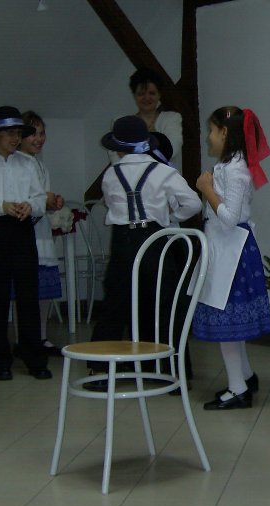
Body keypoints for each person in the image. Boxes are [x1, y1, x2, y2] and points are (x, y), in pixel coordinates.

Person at [88, 116, 201, 383]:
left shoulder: (111, 174)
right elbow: (193, 203)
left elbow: (109, 202)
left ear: (118, 148)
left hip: (122, 240)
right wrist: (171, 217)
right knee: (163, 302)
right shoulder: (163, 171)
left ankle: (101, 369)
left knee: (116, 301)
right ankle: (172, 370)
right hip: (155, 239)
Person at [194, 107, 270, 411]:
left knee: (226, 322)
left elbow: (229, 217)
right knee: (229, 321)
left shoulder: (234, 169)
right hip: (225, 248)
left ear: (225, 133)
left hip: (232, 251)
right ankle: (245, 376)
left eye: (212, 131)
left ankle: (238, 388)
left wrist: (207, 190)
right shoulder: (229, 165)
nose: (208, 137)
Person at [0, 105, 51, 381]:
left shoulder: (27, 165)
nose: (16, 139)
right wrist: (0, 206)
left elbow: (40, 199)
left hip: (23, 231)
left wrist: (30, 206)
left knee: (28, 296)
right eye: (10, 133)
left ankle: (34, 358)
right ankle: (1, 361)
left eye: (18, 133)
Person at [17, 110, 65, 356]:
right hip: (26, 232)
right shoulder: (16, 163)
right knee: (27, 289)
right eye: (32, 134)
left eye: (42, 133)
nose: (38, 139)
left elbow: (41, 199)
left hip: (41, 231)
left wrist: (53, 202)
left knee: (43, 290)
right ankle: (26, 338)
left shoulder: (40, 165)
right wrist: (43, 200)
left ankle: (41, 336)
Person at [128, 68, 183, 171]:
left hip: (166, 178)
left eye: (152, 93)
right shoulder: (124, 124)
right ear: (134, 95)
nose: (146, 98)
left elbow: (171, 150)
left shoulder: (172, 119)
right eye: (141, 94)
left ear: (159, 94)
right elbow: (118, 159)